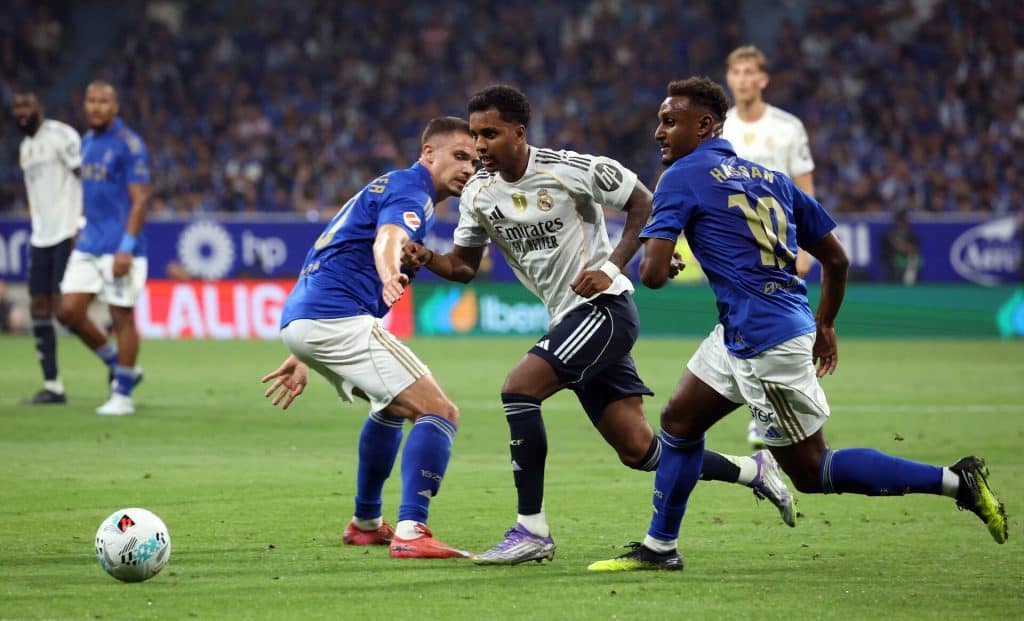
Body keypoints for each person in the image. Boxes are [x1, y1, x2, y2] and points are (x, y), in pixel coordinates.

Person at [588, 77, 1008, 573]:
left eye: (669, 121)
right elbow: (837, 259)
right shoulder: (771, 179)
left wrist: (662, 261)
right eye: (659, 121)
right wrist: (825, 324)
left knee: (813, 470)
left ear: (704, 126)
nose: (658, 132)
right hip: (750, 326)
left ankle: (958, 482)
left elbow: (653, 275)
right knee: (679, 420)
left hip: (766, 341)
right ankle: (660, 548)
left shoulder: (681, 176)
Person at [402, 85, 794, 567]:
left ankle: (532, 530)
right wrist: (426, 259)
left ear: (519, 133)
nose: (481, 145)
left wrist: (614, 266)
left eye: (491, 134)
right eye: (476, 134)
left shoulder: (569, 169)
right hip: (567, 319)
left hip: (605, 310)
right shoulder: (480, 194)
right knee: (639, 449)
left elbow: (643, 203)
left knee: (519, 389)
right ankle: (751, 470)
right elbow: (463, 266)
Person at [260, 116, 477, 560]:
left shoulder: (387, 187)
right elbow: (388, 240)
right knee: (439, 411)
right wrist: (389, 276)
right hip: (338, 318)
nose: (469, 168)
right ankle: (413, 531)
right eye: (459, 156)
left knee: (390, 407)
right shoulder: (411, 189)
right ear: (428, 153)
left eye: (474, 161)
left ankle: (366, 523)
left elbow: (328, 248)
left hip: (309, 318)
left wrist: (302, 349)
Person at [722, 44, 818, 448]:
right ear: (729, 79)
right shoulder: (719, 127)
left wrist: (809, 247)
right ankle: (762, 411)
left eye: (750, 72)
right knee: (738, 323)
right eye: (736, 72)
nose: (743, 79)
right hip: (733, 244)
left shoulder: (787, 127)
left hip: (779, 243)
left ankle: (785, 407)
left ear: (763, 79)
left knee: (781, 324)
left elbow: (804, 187)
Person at [56, 81, 150, 416]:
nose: (96, 107)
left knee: (121, 315)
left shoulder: (129, 144)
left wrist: (126, 248)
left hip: (120, 247)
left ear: (116, 106)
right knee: (68, 311)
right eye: (91, 100)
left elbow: (140, 199)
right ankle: (121, 365)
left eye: (103, 101)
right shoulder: (86, 142)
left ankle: (122, 393)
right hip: (89, 242)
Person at [12, 85, 82, 404]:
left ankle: (115, 362)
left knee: (67, 310)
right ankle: (53, 384)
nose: (22, 112)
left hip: (68, 231)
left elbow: (85, 177)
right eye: (17, 108)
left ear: (39, 106)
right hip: (41, 236)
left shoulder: (62, 136)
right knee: (38, 306)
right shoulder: (26, 148)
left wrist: (83, 224)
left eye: (27, 105)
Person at [880, 210, 921, 285]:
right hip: (892, 262)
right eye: (900, 221)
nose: (902, 223)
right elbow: (889, 250)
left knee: (915, 259)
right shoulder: (889, 234)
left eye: (904, 221)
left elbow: (914, 249)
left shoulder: (912, 235)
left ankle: (909, 282)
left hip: (906, 262)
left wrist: (901, 246)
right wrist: (902, 246)